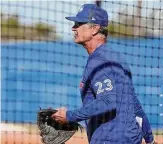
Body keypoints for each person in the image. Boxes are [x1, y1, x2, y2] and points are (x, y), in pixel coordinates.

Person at [51, 4, 155, 144]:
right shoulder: (117, 58)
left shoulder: (98, 61)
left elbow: (108, 101)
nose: (73, 28)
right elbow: (134, 105)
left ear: (94, 28)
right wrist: (150, 139)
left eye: (79, 23)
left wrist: (69, 116)